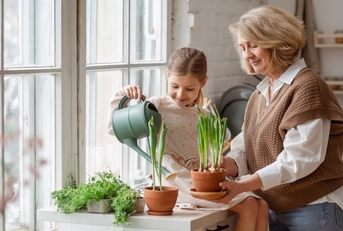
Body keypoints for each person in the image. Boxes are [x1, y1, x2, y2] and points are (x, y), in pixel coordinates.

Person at [108, 47, 269, 231]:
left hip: (202, 181)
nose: (181, 94)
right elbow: (114, 129)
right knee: (249, 205)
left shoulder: (206, 116)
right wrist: (123, 96)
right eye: (174, 86)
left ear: (203, 83)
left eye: (189, 88)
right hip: (177, 183)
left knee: (262, 205)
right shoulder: (155, 107)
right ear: (167, 76)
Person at [212, 5, 343, 231]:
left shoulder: (307, 87)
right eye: (243, 47)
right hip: (274, 208)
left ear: (277, 41)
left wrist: (243, 186)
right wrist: (229, 165)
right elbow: (246, 147)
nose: (247, 55)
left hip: (314, 208)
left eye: (253, 45)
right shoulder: (260, 94)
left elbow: (300, 159)